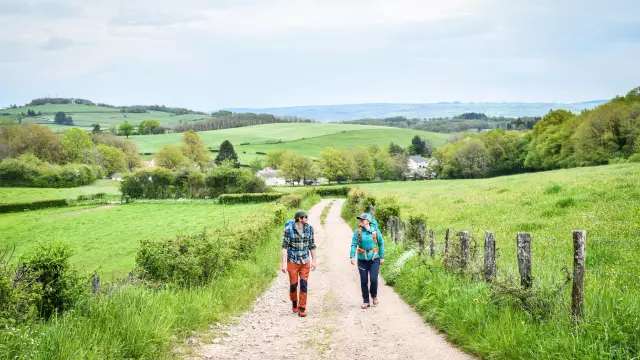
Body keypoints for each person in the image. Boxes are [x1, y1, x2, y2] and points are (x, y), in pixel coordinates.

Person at [281, 210, 317, 317]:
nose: (307, 218)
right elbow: (284, 247)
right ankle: (294, 303)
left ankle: (302, 308)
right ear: (300, 218)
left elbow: (312, 245)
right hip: (292, 260)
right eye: (305, 217)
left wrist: (314, 260)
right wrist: (283, 264)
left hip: (305, 260)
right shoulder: (288, 230)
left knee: (304, 285)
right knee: (293, 285)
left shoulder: (310, 229)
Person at [350, 213, 385, 309]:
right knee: (364, 280)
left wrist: (382, 257)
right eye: (360, 219)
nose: (360, 221)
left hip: (374, 259)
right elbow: (353, 244)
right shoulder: (358, 232)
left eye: (363, 219)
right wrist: (352, 256)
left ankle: (374, 295)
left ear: (368, 221)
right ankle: (366, 300)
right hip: (362, 259)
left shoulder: (375, 231)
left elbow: (381, 244)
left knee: (373, 279)